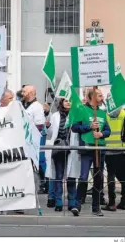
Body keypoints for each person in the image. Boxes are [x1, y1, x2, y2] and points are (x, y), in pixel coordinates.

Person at [71, 88, 110, 217]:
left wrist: (101, 134)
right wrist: (89, 127)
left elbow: (107, 131)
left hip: (99, 149)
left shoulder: (103, 113)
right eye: (99, 95)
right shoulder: (82, 109)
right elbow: (75, 127)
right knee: (83, 177)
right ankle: (77, 205)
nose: (102, 97)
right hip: (87, 148)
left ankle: (96, 207)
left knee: (98, 178)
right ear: (92, 96)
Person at [46, 98, 79, 212]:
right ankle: (59, 202)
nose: (68, 102)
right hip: (58, 149)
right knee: (58, 176)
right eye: (66, 101)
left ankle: (72, 202)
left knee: (71, 177)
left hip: (72, 148)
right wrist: (48, 126)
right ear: (61, 103)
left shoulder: (76, 114)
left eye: (70, 100)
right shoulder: (55, 116)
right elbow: (50, 134)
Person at [21, 85, 47, 193]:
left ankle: (45, 183)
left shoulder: (37, 107)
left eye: (24, 91)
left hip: (34, 140)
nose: (22, 93)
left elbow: (39, 125)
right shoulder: (26, 106)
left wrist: (28, 134)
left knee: (39, 162)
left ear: (30, 93)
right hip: (26, 141)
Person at [101, 105, 125, 211]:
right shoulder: (123, 114)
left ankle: (111, 203)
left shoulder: (105, 114)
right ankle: (124, 202)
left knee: (111, 175)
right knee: (123, 177)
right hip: (121, 149)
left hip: (108, 148)